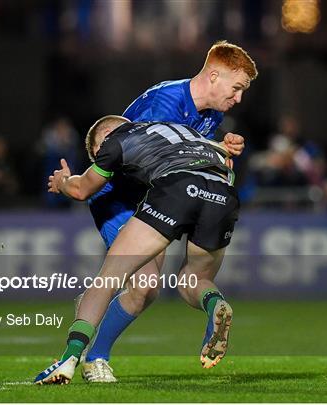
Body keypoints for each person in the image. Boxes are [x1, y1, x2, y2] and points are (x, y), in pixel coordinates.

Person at [82, 40, 257, 382]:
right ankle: (87, 358)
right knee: (145, 284)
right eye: (236, 88)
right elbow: (130, 157)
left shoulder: (212, 113)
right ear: (213, 76)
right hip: (120, 194)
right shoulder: (163, 103)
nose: (238, 98)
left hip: (159, 194)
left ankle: (88, 352)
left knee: (161, 285)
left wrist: (221, 146)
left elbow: (185, 151)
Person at [34, 116, 239, 385]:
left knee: (109, 278)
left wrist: (62, 182)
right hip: (223, 193)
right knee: (195, 280)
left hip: (175, 189)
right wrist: (229, 144)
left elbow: (82, 189)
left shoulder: (116, 142)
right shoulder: (184, 131)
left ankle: (71, 357)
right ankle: (215, 305)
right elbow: (226, 161)